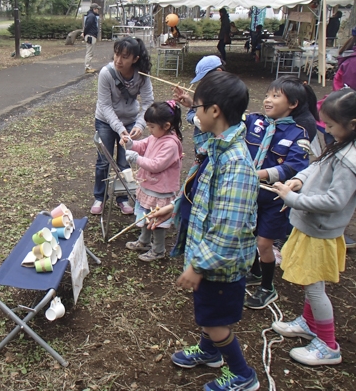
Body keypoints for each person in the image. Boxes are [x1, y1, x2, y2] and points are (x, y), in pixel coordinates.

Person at [147, 71, 260, 391]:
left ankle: (242, 374)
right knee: (210, 312)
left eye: (198, 108)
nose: (194, 114)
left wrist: (198, 266)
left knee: (215, 320)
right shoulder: (220, 144)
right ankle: (210, 353)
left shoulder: (235, 164)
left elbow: (228, 229)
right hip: (209, 258)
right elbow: (201, 173)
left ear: (215, 111)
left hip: (220, 264)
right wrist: (175, 206)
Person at [270, 88, 356, 366]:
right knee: (310, 282)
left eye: (330, 125)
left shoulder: (350, 160)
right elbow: (316, 167)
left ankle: (328, 345)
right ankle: (309, 324)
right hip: (310, 227)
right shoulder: (340, 145)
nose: (326, 130)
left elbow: (334, 200)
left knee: (315, 287)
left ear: (352, 124)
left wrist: (293, 198)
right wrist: (299, 180)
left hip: (320, 232)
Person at [243, 77, 316, 310]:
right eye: (267, 95)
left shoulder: (299, 134)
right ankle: (254, 272)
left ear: (292, 103)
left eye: (275, 96)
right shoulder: (253, 121)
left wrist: (262, 174)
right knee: (249, 235)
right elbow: (224, 117)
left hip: (275, 198)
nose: (267, 100)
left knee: (264, 243)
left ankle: (267, 288)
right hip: (250, 195)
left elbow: (294, 166)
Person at [91, 36, 154, 216]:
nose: (118, 60)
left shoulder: (141, 75)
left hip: (131, 120)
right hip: (105, 120)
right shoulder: (106, 73)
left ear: (135, 59)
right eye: (117, 54)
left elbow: (148, 102)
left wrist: (141, 124)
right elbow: (104, 105)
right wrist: (119, 129)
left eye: (125, 56)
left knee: (125, 161)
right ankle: (100, 197)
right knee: (104, 161)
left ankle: (123, 198)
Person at [122, 101, 183, 262]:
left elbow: (157, 165)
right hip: (149, 185)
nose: (149, 130)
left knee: (157, 220)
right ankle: (144, 241)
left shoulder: (170, 144)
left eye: (152, 126)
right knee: (146, 215)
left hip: (161, 190)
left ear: (166, 125)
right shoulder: (157, 135)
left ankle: (158, 250)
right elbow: (143, 145)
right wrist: (131, 144)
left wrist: (137, 158)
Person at [82, 3, 100, 73]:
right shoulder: (92, 16)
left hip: (90, 35)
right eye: (97, 9)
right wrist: (84, 33)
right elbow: (87, 26)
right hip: (90, 36)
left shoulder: (90, 15)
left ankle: (88, 66)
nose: (98, 10)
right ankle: (87, 67)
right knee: (89, 52)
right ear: (94, 9)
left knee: (90, 52)